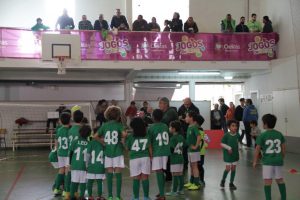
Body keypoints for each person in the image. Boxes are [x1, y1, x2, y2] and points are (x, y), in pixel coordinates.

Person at [96, 106, 127, 200]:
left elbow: (95, 136)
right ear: (118, 116)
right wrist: (123, 139)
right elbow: (124, 134)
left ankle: (110, 196)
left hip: (108, 152)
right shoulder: (119, 125)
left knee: (109, 174)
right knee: (118, 174)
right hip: (117, 151)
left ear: (107, 115)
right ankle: (118, 196)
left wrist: (103, 142)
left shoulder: (104, 125)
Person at [253, 114, 286, 200]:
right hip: (278, 161)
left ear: (266, 124)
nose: (262, 124)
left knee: (267, 181)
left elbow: (257, 149)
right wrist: (281, 157)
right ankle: (284, 198)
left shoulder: (262, 135)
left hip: (267, 162)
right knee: (280, 180)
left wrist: (255, 161)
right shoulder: (279, 134)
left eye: (263, 123)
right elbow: (283, 148)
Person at [126, 117, 151, 200]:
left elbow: (127, 148)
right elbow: (150, 147)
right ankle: (146, 197)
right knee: (145, 177)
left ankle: (136, 197)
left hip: (134, 158)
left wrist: (123, 141)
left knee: (136, 178)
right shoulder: (146, 135)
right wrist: (151, 157)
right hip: (145, 157)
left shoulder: (130, 136)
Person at [148, 109, 171, 200]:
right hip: (165, 151)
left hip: (157, 152)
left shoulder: (151, 127)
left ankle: (162, 195)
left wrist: (150, 154)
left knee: (159, 172)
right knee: (161, 171)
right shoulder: (165, 126)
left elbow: (149, 142)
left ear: (153, 117)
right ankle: (161, 191)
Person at [159, 97, 178, 181]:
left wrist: (154, 113)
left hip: (172, 138)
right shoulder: (166, 112)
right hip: (168, 137)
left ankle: (170, 174)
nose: (159, 105)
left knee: (169, 157)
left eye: (160, 103)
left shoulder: (170, 112)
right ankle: (168, 174)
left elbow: (163, 121)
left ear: (165, 104)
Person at [69, 125, 90, 199]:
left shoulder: (75, 141)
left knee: (74, 181)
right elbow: (89, 156)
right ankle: (82, 196)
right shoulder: (88, 143)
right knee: (83, 182)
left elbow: (70, 153)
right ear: (89, 134)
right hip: (84, 166)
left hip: (75, 165)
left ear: (79, 132)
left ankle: (72, 196)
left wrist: (70, 163)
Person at [53, 112, 71, 196]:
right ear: (70, 121)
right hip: (67, 154)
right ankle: (66, 190)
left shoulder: (59, 130)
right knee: (67, 171)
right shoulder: (70, 131)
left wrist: (57, 150)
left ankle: (56, 189)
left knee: (61, 170)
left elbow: (56, 142)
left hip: (60, 152)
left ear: (60, 121)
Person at [166, 120, 185, 196]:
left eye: (170, 127)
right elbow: (184, 145)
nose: (169, 128)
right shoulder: (181, 137)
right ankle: (180, 190)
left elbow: (171, 149)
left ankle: (174, 191)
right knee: (180, 174)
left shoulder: (173, 138)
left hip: (175, 159)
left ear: (173, 129)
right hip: (181, 158)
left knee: (174, 174)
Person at [183, 111, 201, 190]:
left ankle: (196, 184)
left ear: (191, 118)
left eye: (187, 117)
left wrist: (196, 146)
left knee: (194, 166)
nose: (185, 118)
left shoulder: (194, 127)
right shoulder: (189, 126)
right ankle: (192, 181)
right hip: (190, 150)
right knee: (191, 166)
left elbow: (199, 137)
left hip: (194, 151)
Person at [220, 120, 240, 190]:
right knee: (228, 169)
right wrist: (228, 148)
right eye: (233, 126)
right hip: (227, 155)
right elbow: (221, 143)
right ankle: (223, 180)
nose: (235, 127)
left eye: (236, 126)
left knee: (233, 168)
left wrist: (239, 149)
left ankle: (231, 183)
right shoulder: (226, 135)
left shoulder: (238, 135)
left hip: (235, 154)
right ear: (229, 127)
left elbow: (238, 143)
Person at [86, 130, 106, 200]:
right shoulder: (103, 144)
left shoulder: (90, 143)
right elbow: (105, 156)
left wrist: (86, 165)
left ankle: (90, 196)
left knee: (90, 182)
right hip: (100, 166)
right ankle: (99, 196)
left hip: (91, 166)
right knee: (99, 182)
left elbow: (88, 155)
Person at [196, 114, 207, 186]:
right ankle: (199, 180)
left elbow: (206, 140)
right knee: (197, 166)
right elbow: (207, 140)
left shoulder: (198, 132)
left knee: (199, 166)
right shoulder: (202, 130)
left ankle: (202, 180)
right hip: (200, 152)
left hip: (199, 152)